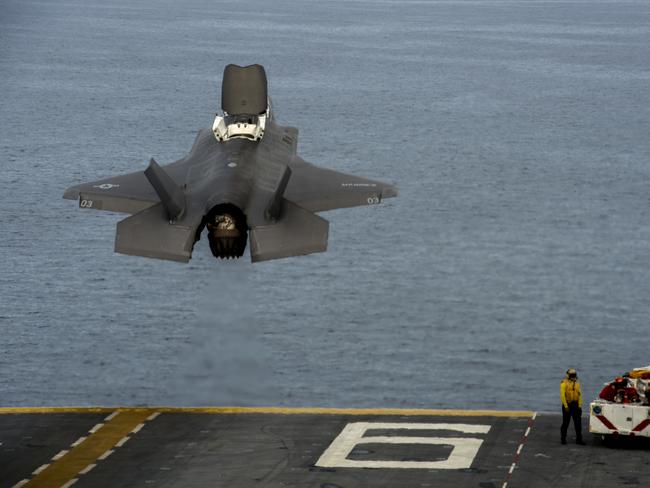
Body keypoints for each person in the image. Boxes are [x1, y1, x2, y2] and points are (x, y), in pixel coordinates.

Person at [560, 368, 585, 445]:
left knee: (578, 423)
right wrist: (566, 406)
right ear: (568, 375)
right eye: (572, 375)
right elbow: (562, 396)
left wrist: (580, 405)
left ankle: (579, 439)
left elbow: (580, 395)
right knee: (565, 423)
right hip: (568, 405)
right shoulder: (563, 384)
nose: (574, 376)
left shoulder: (577, 383)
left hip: (576, 405)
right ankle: (563, 439)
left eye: (574, 375)